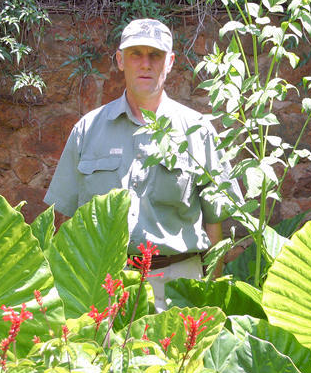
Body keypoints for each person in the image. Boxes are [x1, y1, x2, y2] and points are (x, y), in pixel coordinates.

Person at [44, 18, 239, 309]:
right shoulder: (88, 130)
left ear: (170, 62)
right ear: (120, 60)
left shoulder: (198, 131)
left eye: (155, 55)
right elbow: (69, 222)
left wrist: (208, 299)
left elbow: (215, 225)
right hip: (103, 287)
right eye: (136, 54)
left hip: (178, 288)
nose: (145, 64)